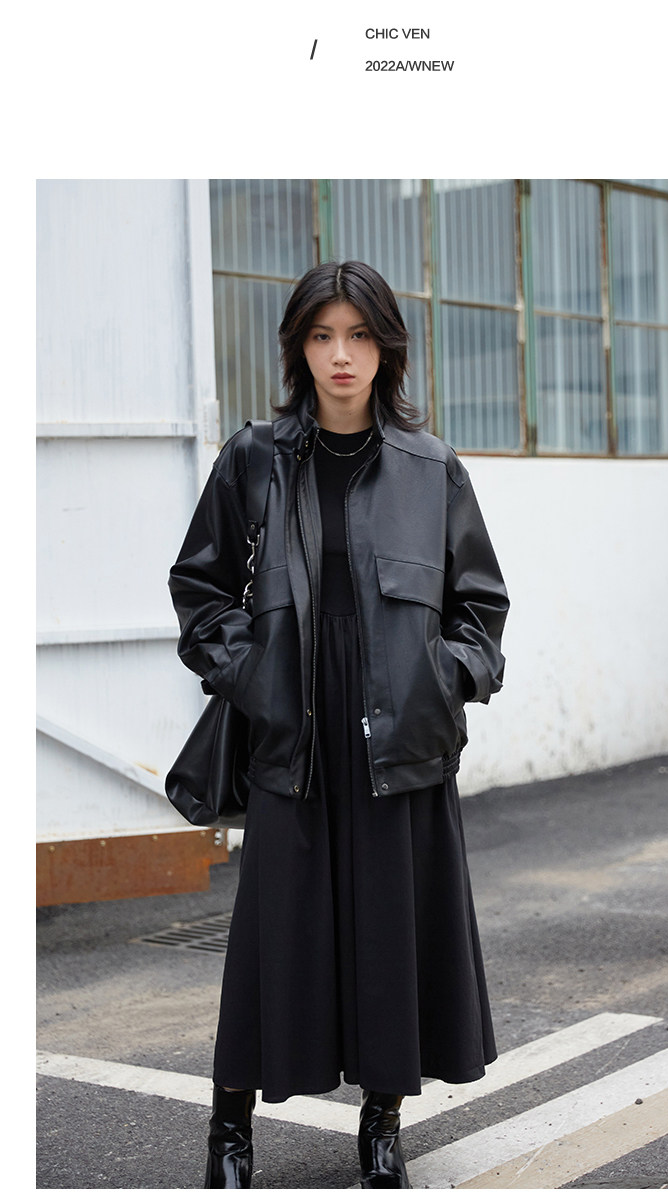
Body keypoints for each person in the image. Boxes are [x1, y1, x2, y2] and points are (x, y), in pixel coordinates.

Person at [168, 260, 510, 1189]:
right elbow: (199, 588)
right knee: (271, 939)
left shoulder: (432, 468)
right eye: (322, 336)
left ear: (386, 347)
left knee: (393, 937)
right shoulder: (255, 458)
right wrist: (253, 677)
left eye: (358, 335)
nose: (341, 355)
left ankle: (383, 1122)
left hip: (402, 742)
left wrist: (445, 678)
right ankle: (229, 1129)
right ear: (299, 349)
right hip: (295, 736)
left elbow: (481, 609)